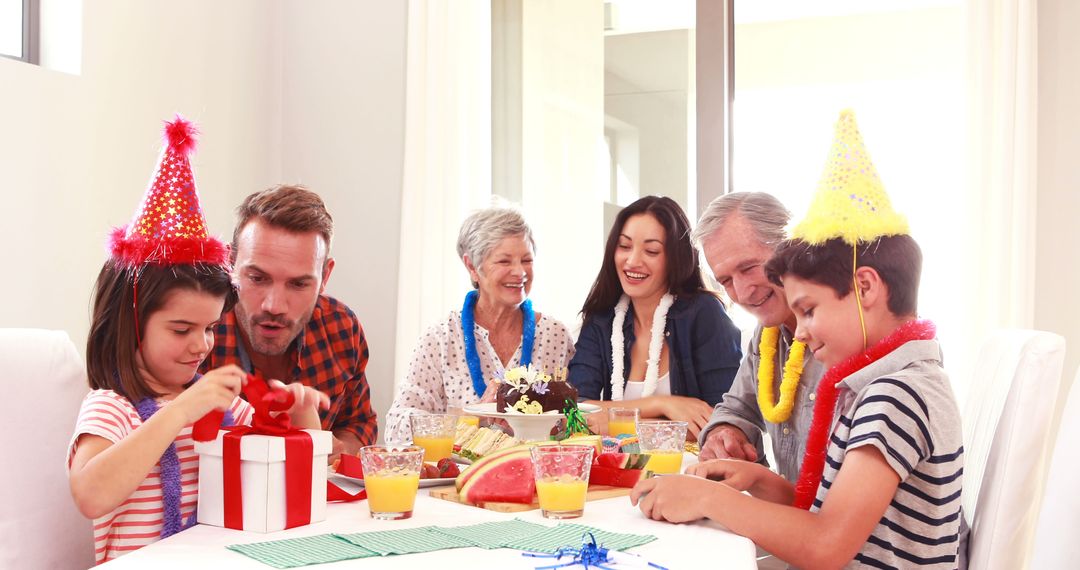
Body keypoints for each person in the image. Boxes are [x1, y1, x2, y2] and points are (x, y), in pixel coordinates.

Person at [632, 111, 965, 568]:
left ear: (865, 288)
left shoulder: (894, 395)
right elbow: (832, 507)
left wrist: (709, 500)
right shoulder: (878, 382)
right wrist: (758, 479)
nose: (803, 331)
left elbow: (827, 546)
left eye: (809, 309)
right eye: (725, 279)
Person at [68, 118, 327, 564]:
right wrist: (181, 411)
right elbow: (91, 495)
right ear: (131, 324)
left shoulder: (222, 405)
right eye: (181, 330)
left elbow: (293, 474)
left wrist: (300, 413)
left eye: (208, 328)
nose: (201, 345)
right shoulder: (113, 407)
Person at [201, 185, 377, 458]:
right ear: (230, 263)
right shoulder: (196, 332)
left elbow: (358, 424)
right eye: (257, 278)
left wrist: (334, 451)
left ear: (325, 277)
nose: (274, 305)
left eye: (298, 284)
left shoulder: (341, 327)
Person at [385, 207, 575, 443]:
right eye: (504, 261)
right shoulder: (441, 337)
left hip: (539, 473)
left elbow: (577, 419)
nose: (520, 272)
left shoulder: (555, 335)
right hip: (459, 476)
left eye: (527, 260)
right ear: (472, 267)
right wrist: (471, 415)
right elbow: (397, 426)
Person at [568, 195, 743, 439]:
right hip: (622, 470)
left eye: (651, 250)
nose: (632, 261)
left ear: (675, 259)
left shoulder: (704, 313)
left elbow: (723, 422)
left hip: (695, 471)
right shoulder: (602, 319)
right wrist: (663, 405)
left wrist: (612, 419)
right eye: (625, 246)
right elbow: (573, 413)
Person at [692, 192, 826, 482]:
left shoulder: (849, 334)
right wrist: (724, 434)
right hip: (791, 519)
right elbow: (736, 408)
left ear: (792, 247)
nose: (741, 292)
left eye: (749, 267)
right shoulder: (767, 334)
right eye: (726, 281)